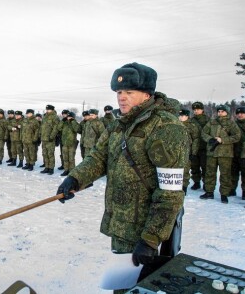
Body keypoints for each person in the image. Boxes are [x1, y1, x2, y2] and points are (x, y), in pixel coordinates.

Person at [57, 62, 188, 286]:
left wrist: (150, 239)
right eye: (119, 92)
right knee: (123, 285)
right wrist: (76, 178)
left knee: (143, 286)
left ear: (147, 94)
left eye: (129, 92)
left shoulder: (166, 128)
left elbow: (171, 192)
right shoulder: (120, 124)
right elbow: (99, 157)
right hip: (123, 223)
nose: (122, 98)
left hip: (147, 228)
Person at [200, 105, 241, 203]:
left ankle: (224, 194)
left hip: (225, 153)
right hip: (212, 152)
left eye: (222, 111)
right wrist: (210, 139)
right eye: (219, 111)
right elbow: (203, 133)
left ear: (227, 112)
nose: (220, 113)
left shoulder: (231, 123)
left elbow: (237, 136)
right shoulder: (212, 122)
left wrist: (223, 140)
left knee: (225, 174)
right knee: (210, 173)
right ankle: (209, 192)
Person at [178, 109, 200, 193]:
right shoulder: (176, 124)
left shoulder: (192, 126)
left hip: (187, 151)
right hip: (177, 151)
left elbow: (196, 140)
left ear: (187, 116)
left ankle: (184, 187)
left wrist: (194, 153)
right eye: (179, 115)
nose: (181, 117)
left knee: (185, 170)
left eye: (183, 116)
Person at [189, 101, 209, 190]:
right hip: (194, 147)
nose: (196, 111)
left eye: (198, 109)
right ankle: (196, 182)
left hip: (204, 147)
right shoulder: (191, 120)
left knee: (205, 166)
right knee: (194, 166)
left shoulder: (207, 120)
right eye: (194, 110)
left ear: (202, 110)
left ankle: (205, 183)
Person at [58, 111, 80, 176]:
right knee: (65, 158)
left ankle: (72, 171)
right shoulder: (64, 123)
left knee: (71, 158)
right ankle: (66, 170)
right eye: (68, 117)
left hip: (72, 144)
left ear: (73, 117)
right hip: (64, 143)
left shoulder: (75, 123)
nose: (68, 118)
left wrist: (72, 121)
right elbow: (59, 128)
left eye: (70, 117)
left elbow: (77, 130)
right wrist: (62, 121)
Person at [40, 105, 60, 175]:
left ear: (52, 110)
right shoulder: (45, 117)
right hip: (44, 138)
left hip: (50, 139)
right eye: (47, 109)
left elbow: (56, 128)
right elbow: (42, 127)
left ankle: (51, 168)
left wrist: (52, 137)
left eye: (49, 109)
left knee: (50, 154)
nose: (47, 110)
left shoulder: (55, 117)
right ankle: (46, 167)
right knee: (45, 154)